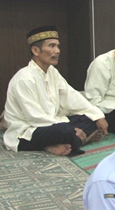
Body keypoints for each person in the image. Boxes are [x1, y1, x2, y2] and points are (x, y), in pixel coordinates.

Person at [4, 26, 108, 156]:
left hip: (52, 123)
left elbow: (72, 96)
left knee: (90, 118)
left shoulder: (52, 72)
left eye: (58, 46)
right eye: (52, 46)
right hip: (27, 130)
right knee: (65, 130)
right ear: (36, 50)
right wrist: (72, 129)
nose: (57, 51)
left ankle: (59, 143)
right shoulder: (24, 79)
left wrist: (97, 115)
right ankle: (67, 141)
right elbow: (35, 117)